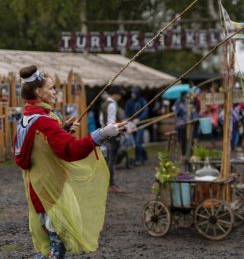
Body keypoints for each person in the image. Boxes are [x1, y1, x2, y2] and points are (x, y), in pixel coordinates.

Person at [13, 65, 125, 258]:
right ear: (38, 92)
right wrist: (102, 134)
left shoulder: (28, 117)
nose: (54, 91)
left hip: (38, 188)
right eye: (50, 88)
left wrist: (62, 131)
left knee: (53, 244)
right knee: (57, 246)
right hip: (51, 191)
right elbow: (71, 151)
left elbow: (40, 146)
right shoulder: (45, 121)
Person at [100, 85, 126, 192]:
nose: (120, 97)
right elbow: (111, 123)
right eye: (120, 94)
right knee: (111, 161)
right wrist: (121, 125)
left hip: (106, 134)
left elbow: (102, 121)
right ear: (115, 94)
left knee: (109, 160)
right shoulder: (112, 105)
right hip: (112, 136)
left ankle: (108, 183)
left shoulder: (104, 104)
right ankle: (111, 184)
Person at [124, 86, 149, 165]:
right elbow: (126, 113)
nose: (132, 94)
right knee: (136, 143)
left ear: (137, 93)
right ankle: (144, 155)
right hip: (132, 125)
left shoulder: (143, 101)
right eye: (132, 93)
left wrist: (139, 119)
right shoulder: (129, 102)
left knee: (138, 142)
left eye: (134, 93)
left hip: (140, 124)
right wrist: (127, 120)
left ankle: (138, 159)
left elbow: (146, 112)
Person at [173, 92, 189, 157]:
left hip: (185, 122)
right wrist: (180, 108)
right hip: (180, 123)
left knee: (185, 139)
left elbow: (187, 111)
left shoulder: (186, 102)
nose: (185, 97)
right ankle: (181, 153)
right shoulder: (177, 102)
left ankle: (185, 153)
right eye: (185, 96)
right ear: (182, 96)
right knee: (181, 139)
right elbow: (176, 112)